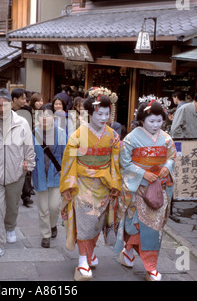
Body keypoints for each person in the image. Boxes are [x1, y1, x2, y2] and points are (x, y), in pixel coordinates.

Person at [60, 93, 121, 281]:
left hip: (104, 184)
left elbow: (115, 162)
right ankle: (82, 261)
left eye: (106, 114)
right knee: (85, 223)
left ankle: (90, 253)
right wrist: (69, 185)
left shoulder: (112, 136)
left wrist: (115, 182)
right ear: (89, 114)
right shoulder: (79, 135)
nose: (104, 118)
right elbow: (69, 161)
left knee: (97, 222)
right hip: (83, 184)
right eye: (99, 114)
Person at [114, 100, 176, 281]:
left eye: (159, 121)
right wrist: (143, 173)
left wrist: (167, 167)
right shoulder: (131, 138)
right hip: (139, 189)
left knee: (154, 228)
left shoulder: (166, 138)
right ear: (142, 120)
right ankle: (150, 267)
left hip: (158, 188)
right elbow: (124, 163)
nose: (156, 125)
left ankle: (131, 254)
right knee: (141, 227)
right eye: (152, 121)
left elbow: (172, 156)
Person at [0, 88, 35, 261]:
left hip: (16, 172)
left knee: (12, 205)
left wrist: (28, 165)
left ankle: (10, 226)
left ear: (10, 104)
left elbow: (29, 147)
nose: (2, 109)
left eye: (5, 105)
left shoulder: (22, 123)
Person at [32, 104, 67, 248]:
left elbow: (66, 155)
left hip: (56, 174)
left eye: (48, 115)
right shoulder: (33, 133)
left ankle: (53, 224)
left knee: (54, 206)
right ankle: (45, 234)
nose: (44, 118)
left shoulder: (61, 133)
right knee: (43, 208)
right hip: (39, 174)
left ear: (53, 117)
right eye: (41, 115)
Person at [12, 88, 34, 207]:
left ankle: (26, 196)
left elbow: (30, 127)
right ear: (14, 99)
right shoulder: (7, 111)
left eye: (25, 98)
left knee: (26, 169)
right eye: (22, 98)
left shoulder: (27, 109)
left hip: (23, 142)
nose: (25, 101)